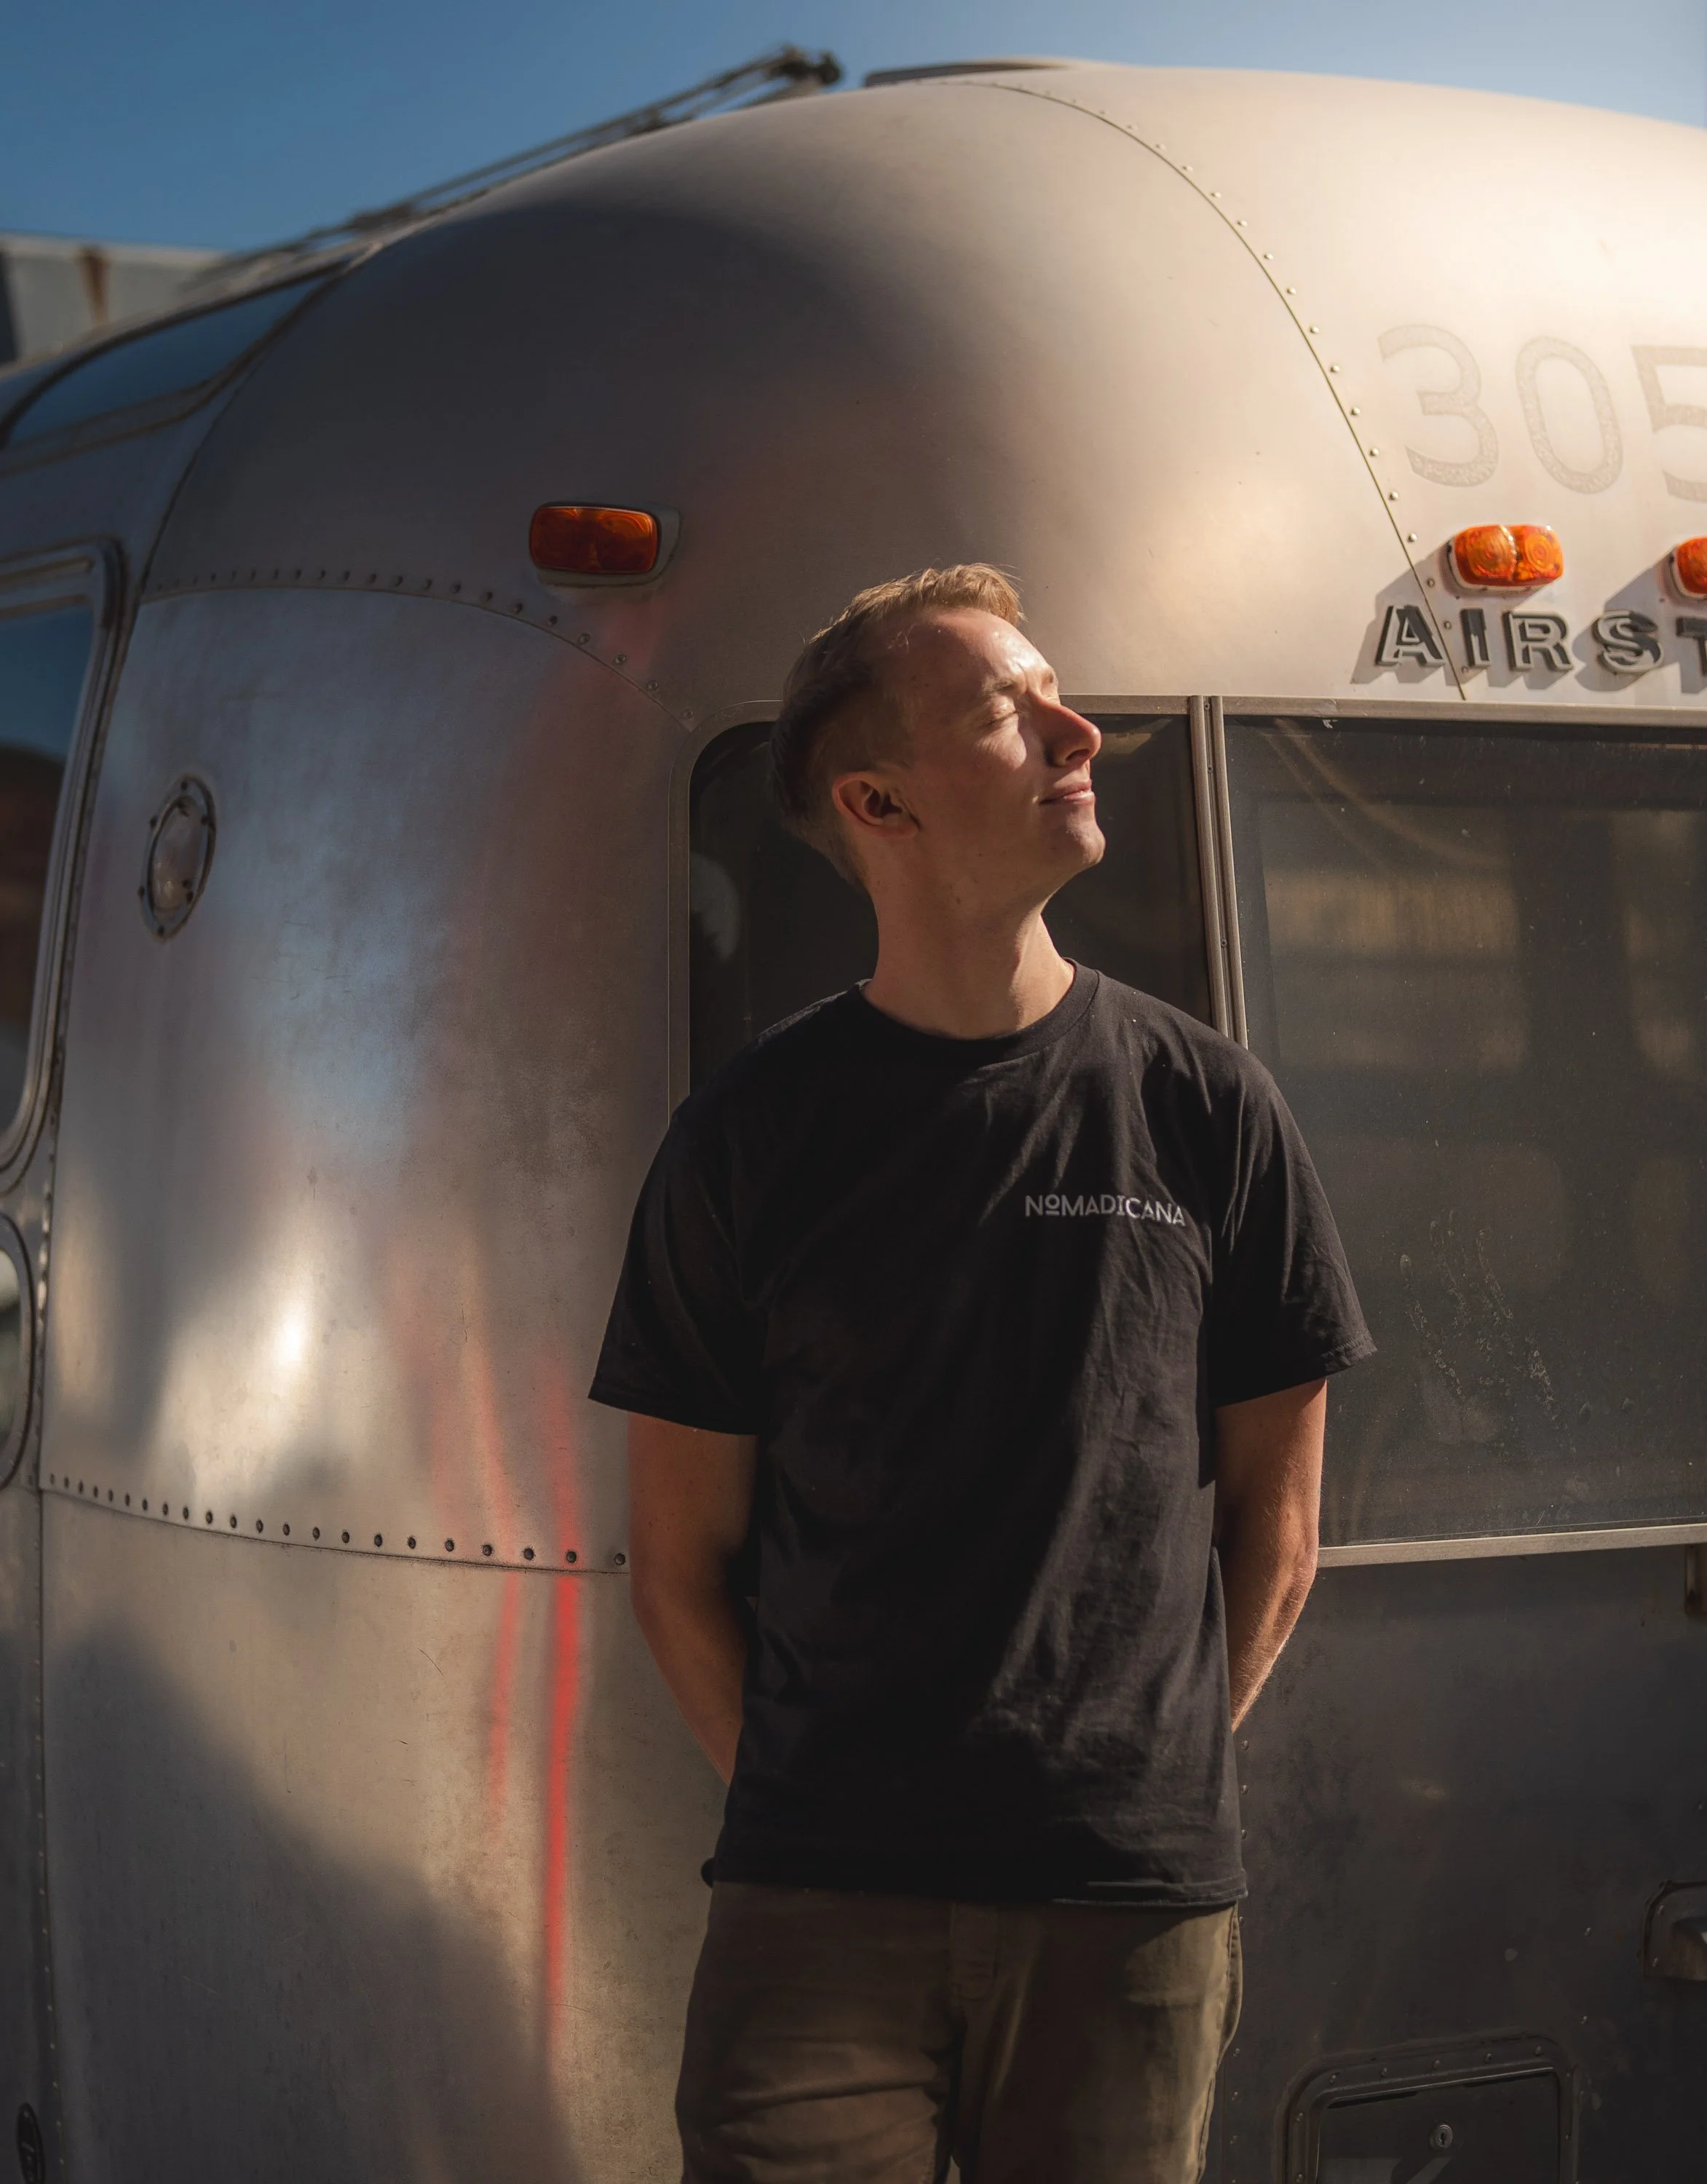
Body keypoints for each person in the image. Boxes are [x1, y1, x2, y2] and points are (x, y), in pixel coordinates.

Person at [590, 565, 1372, 2183]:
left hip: (1123, 1915)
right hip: (816, 1923)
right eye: (1010, 715)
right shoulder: (746, 1142)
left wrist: (1141, 1784)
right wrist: (826, 1820)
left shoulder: (1208, 1110)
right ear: (877, 801)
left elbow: (1275, 1526)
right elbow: (676, 1567)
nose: (1078, 729)